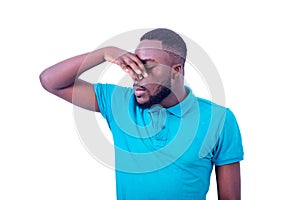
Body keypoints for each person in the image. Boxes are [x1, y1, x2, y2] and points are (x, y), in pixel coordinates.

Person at [40, 28, 243, 200]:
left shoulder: (220, 119)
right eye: (133, 64)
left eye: (148, 66)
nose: (136, 75)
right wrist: (104, 53)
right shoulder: (118, 102)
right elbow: (51, 81)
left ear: (176, 70)